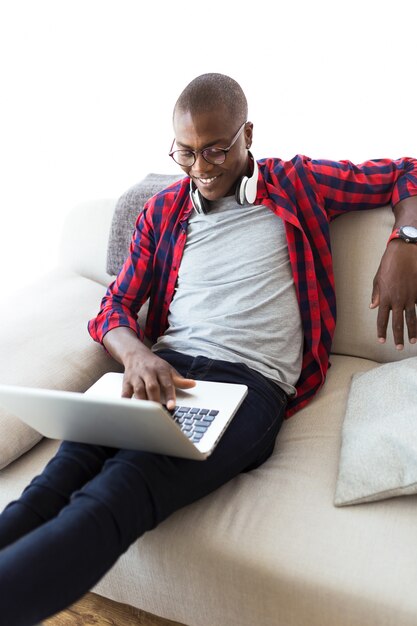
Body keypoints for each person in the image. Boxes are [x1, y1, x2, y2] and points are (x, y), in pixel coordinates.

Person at [1, 73, 417, 626]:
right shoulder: (165, 212)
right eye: (187, 153)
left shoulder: (300, 183)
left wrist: (406, 242)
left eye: (217, 149)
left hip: (248, 386)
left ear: (247, 133)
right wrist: (136, 355)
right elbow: (112, 309)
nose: (202, 168)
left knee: (117, 495)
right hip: (159, 370)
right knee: (49, 487)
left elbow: (408, 172)